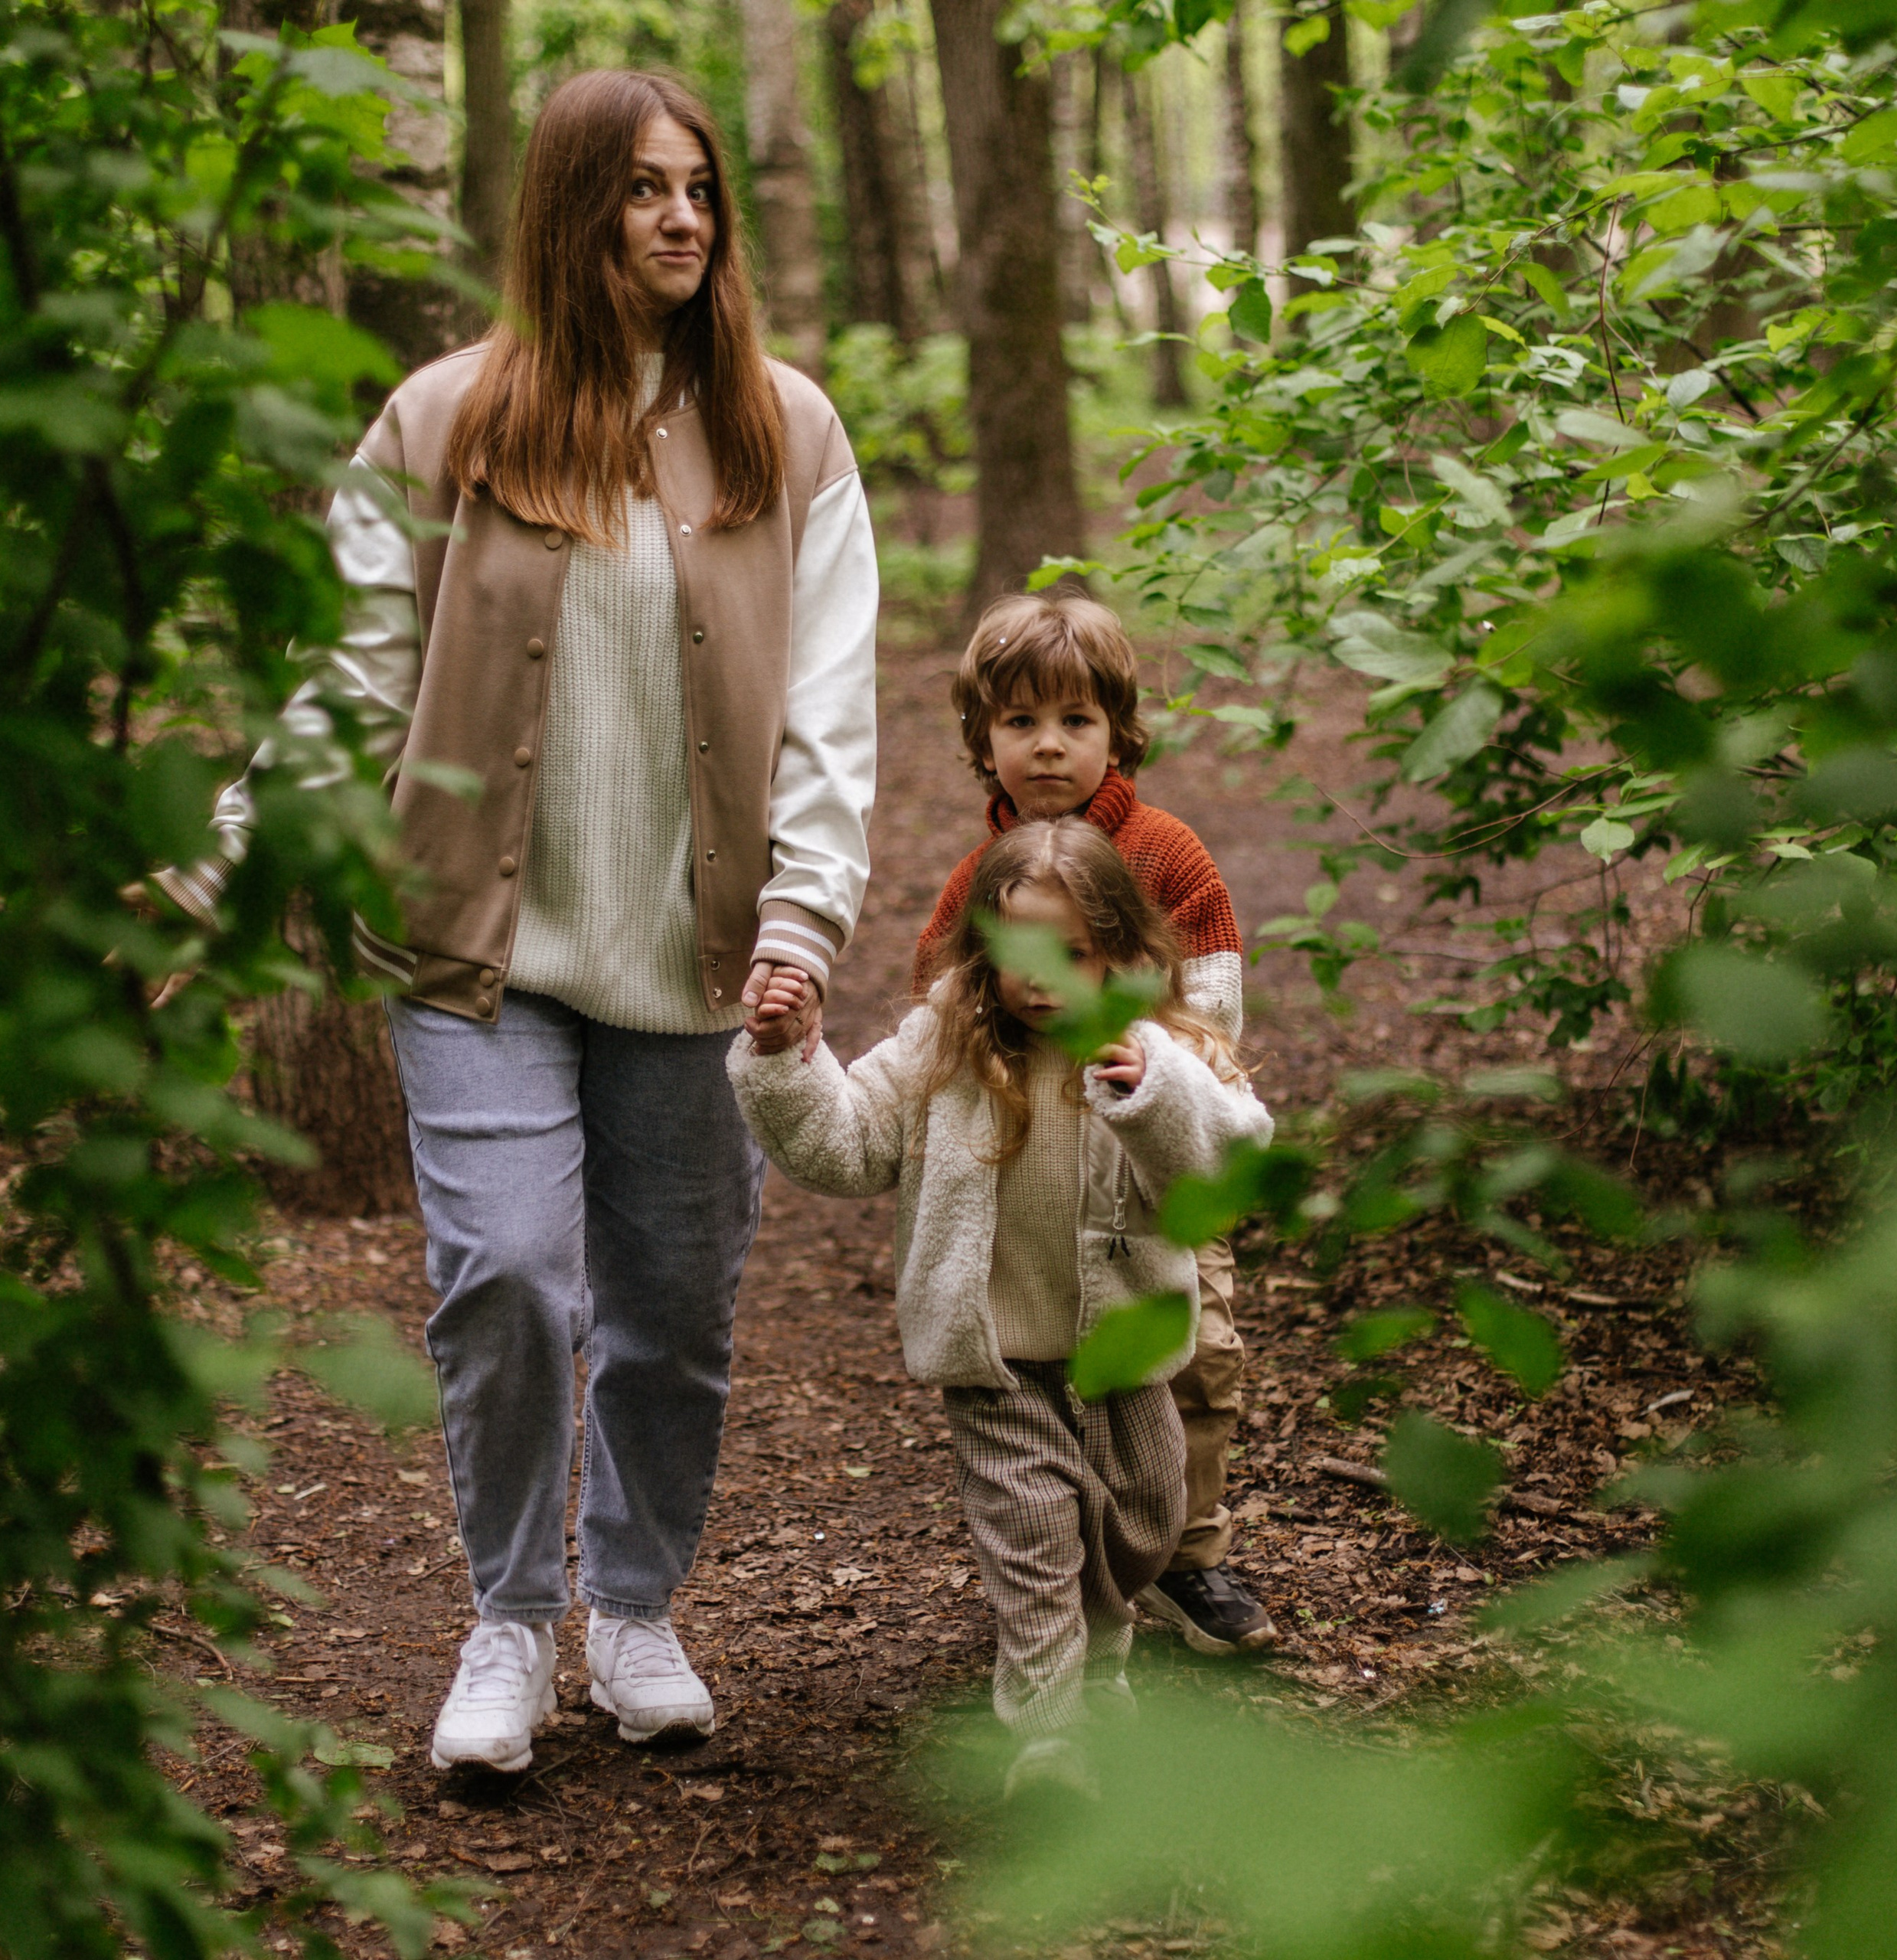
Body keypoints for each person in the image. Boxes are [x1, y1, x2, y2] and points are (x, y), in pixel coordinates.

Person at [155, 70, 877, 1773]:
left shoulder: (787, 429)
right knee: (505, 1278)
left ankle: (631, 1603)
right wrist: (225, 862)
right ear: (569, 212)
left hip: (699, 964)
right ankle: (509, 1620)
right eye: (639, 191)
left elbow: (831, 709)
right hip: (477, 952)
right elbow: (349, 678)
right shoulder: (441, 420)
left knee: (677, 1306)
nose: (681, 217)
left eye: (697, 188)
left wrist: (805, 912)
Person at [729, 821, 1272, 1795]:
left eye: (1070, 952)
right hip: (996, 1357)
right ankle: (1048, 1735)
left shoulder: (1159, 1051)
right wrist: (782, 1058)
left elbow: (1229, 1171)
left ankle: (1098, 1663)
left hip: (1124, 1351)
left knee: (1141, 1522)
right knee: (1033, 1539)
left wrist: (1157, 1097)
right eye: (1018, 951)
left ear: (1119, 949)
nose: (1042, 977)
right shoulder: (945, 1042)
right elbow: (847, 1146)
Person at [909, 593, 1275, 1656]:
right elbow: (935, 1005)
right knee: (1031, 1373)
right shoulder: (979, 877)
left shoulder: (1170, 857)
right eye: (1021, 723)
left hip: (1153, 1165)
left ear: (1118, 730)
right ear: (985, 741)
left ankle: (1187, 1558)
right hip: (1025, 1171)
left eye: (1075, 720)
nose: (1049, 746)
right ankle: (1062, 1557)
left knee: (1192, 1352)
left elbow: (1211, 1024)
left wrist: (1157, 1077)